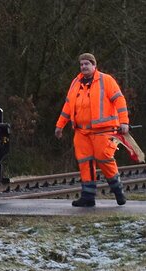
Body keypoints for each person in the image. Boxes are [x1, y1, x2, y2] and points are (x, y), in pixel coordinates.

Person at [54, 53, 130, 207]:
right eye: (81, 64)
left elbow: (119, 100)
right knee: (85, 163)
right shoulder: (75, 82)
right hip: (81, 132)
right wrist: (59, 125)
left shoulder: (106, 80)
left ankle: (118, 191)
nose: (84, 67)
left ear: (94, 65)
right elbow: (68, 106)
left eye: (87, 64)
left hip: (103, 131)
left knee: (105, 159)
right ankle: (88, 197)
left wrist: (124, 122)